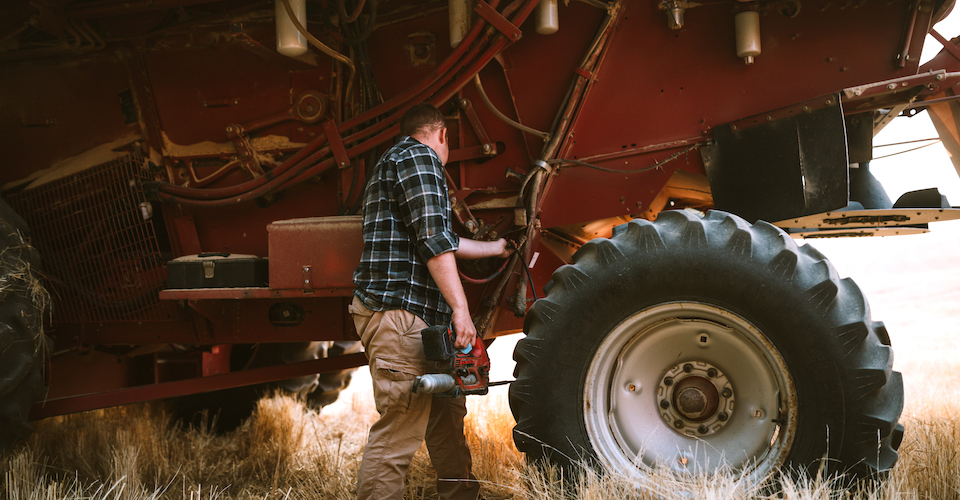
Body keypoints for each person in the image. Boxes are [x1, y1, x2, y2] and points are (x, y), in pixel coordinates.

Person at [350, 103, 511, 500]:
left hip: (419, 323)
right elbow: (436, 243)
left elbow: (444, 240)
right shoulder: (418, 157)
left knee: (446, 421)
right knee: (398, 431)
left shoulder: (398, 163)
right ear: (442, 135)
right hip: (401, 317)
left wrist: (496, 248)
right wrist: (461, 310)